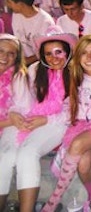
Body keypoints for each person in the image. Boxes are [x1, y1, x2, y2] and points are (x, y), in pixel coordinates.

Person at [0, 25, 76, 212]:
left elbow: (73, 111)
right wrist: (15, 116)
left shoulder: (76, 73)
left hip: (57, 122)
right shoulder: (33, 71)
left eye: (59, 52)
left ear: (67, 53)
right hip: (28, 119)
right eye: (48, 53)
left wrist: (45, 120)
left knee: (27, 154)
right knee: (5, 156)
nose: (54, 57)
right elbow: (22, 103)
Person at [43, 35, 91, 211]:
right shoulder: (76, 77)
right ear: (78, 57)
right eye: (84, 53)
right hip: (84, 125)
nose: (89, 58)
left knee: (77, 144)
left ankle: (52, 202)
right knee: (84, 164)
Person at [0, 34, 32, 212]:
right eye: (1, 51)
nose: (5, 57)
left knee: (6, 157)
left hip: (13, 127)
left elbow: (23, 113)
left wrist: (11, 118)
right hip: (7, 123)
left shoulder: (18, 77)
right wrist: (8, 120)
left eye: (11, 53)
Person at [3, 0, 55, 65]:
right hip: (21, 61)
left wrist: (24, 63)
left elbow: (46, 52)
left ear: (20, 4)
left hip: (40, 64)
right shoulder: (16, 14)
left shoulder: (45, 22)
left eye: (9, 2)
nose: (7, 5)